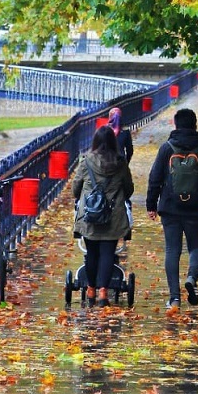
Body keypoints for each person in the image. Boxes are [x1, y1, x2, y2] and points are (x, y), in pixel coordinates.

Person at [145, 106, 198, 308]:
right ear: (195, 125)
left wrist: (151, 204)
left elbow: (154, 178)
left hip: (170, 206)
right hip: (196, 207)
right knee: (197, 247)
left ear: (175, 124)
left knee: (172, 250)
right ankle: (191, 278)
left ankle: (174, 298)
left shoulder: (166, 148)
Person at [73, 125, 134, 305]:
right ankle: (103, 293)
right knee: (108, 252)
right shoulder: (120, 163)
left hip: (90, 216)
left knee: (91, 253)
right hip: (113, 216)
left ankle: (90, 290)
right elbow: (129, 189)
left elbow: (76, 188)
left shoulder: (86, 162)